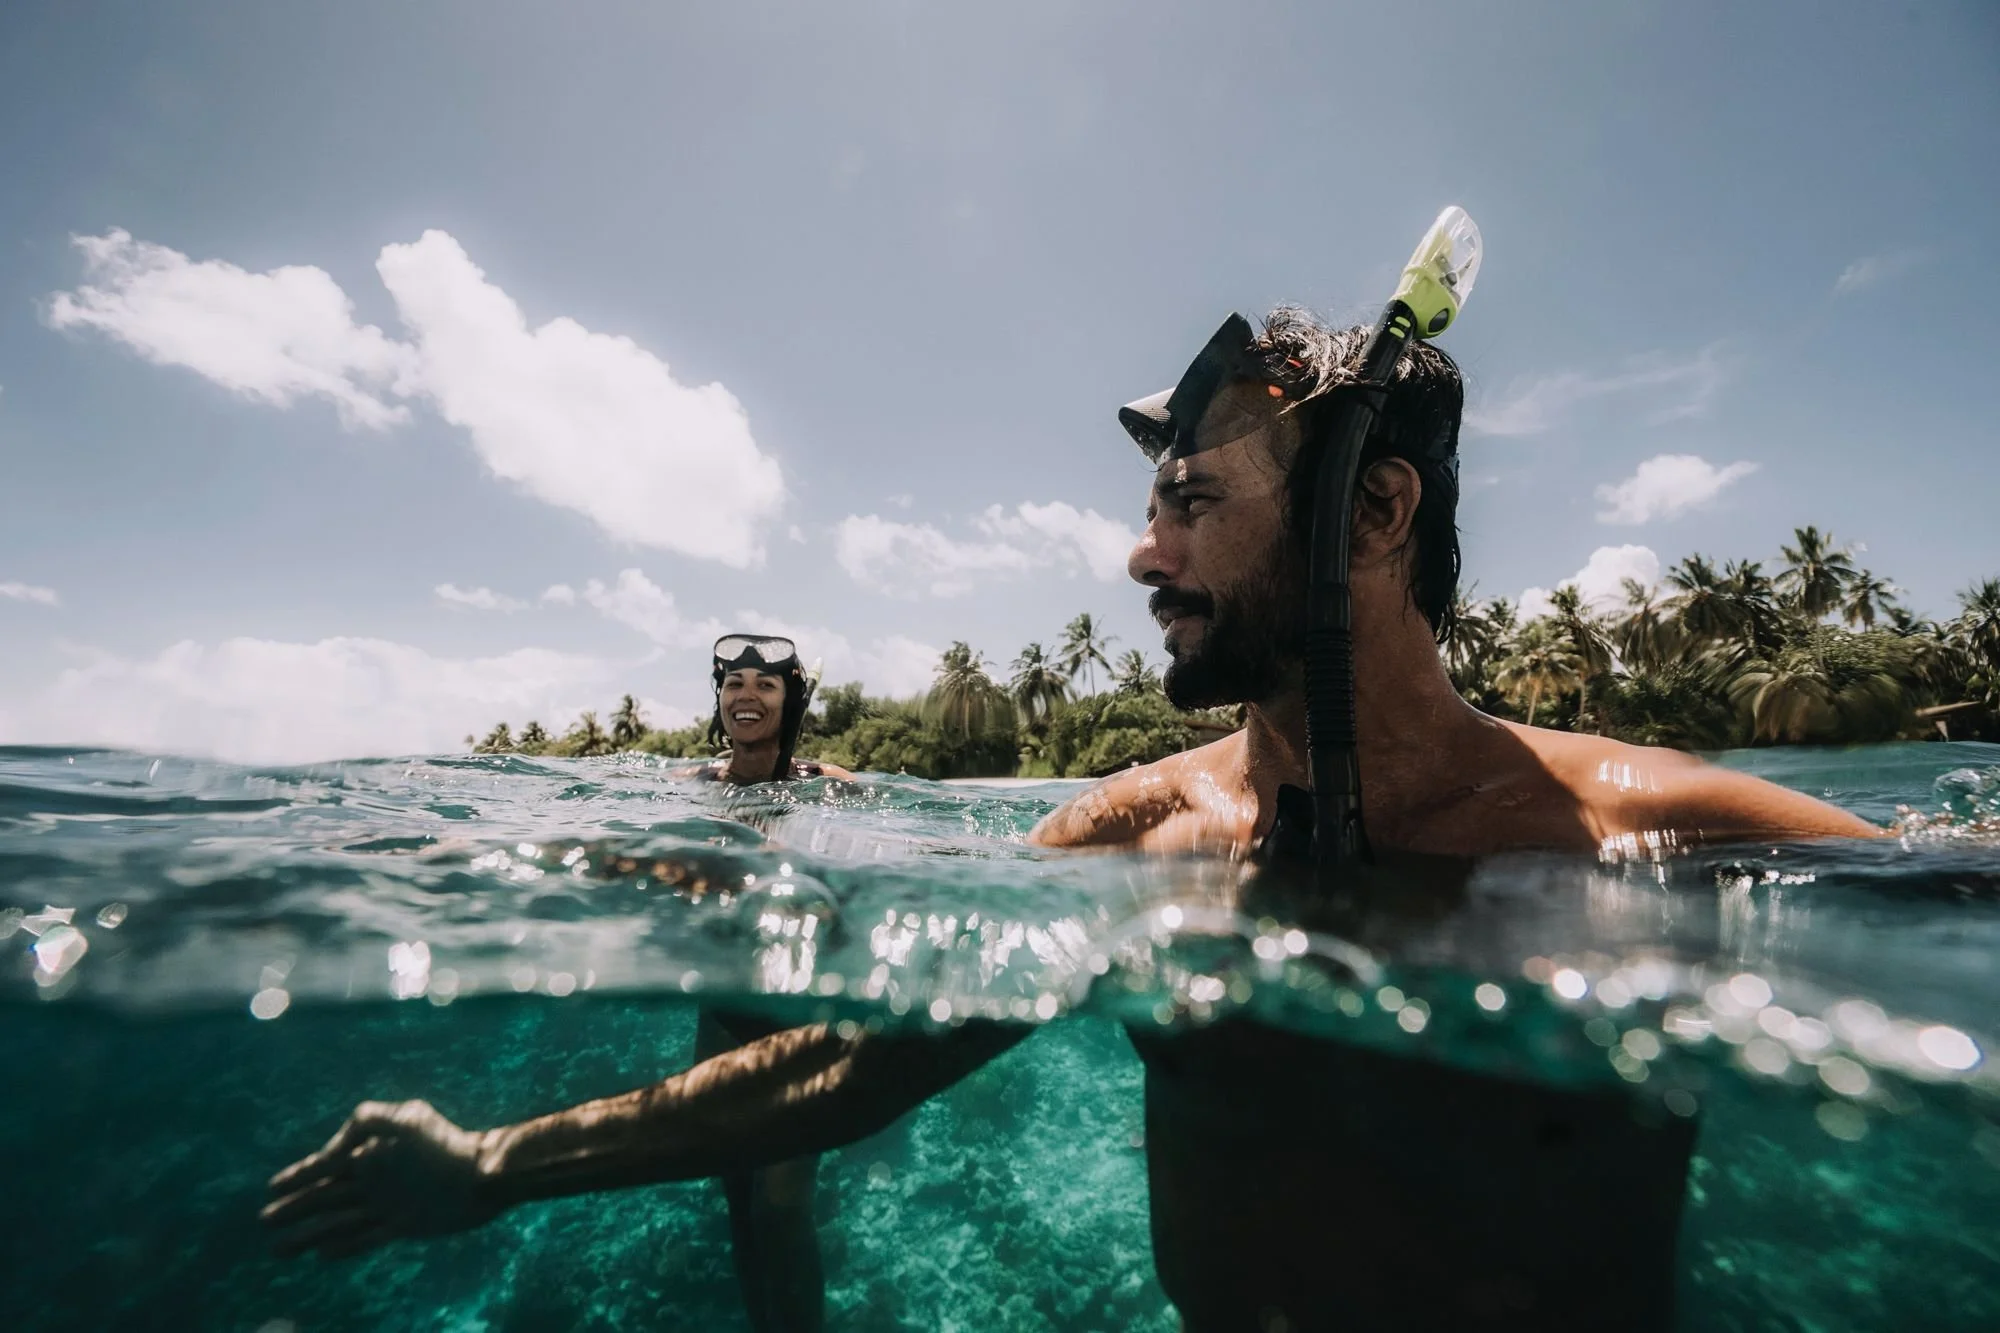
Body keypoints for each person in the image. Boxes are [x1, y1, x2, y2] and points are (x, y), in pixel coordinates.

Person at [262, 310, 1877, 1331]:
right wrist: (494, 1159)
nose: (1140, 554)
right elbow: (844, 1062)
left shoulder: (1657, 830)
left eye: (1191, 499)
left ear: (1374, 512)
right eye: (1148, 505)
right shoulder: (1137, 835)